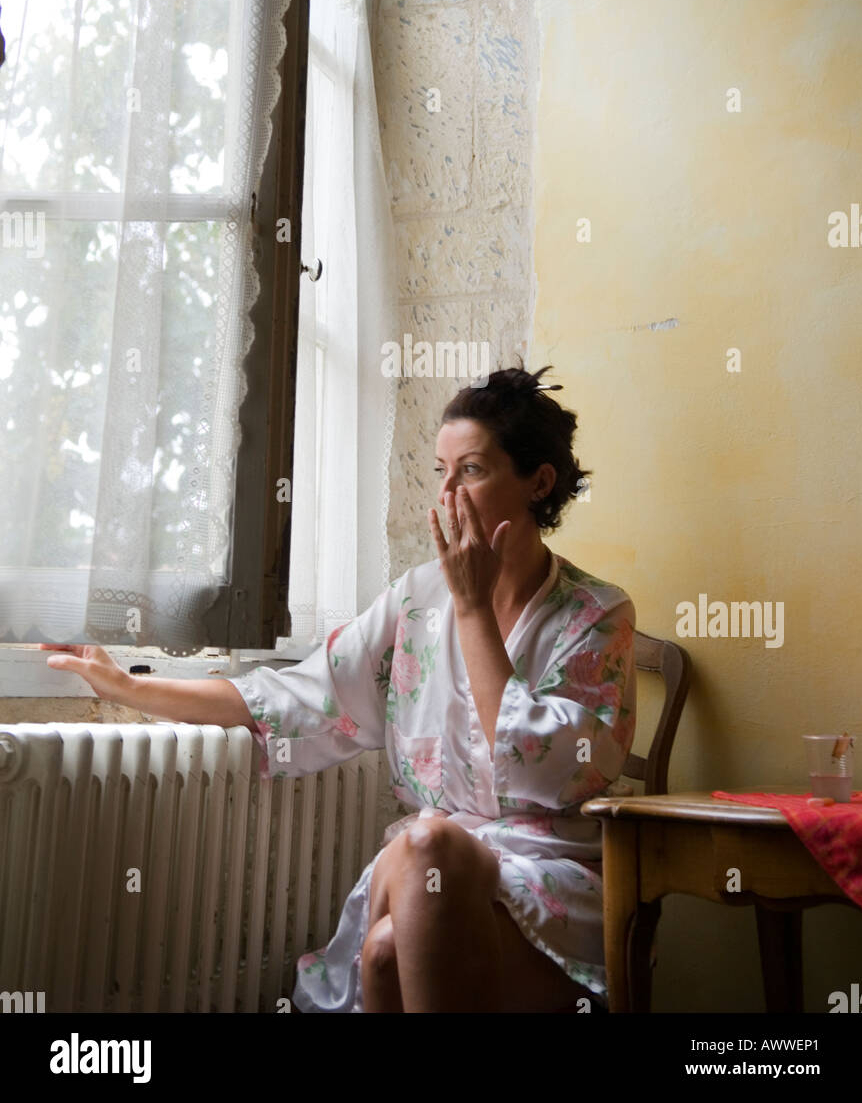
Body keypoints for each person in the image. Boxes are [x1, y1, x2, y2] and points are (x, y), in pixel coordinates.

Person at [42, 364, 637, 1013]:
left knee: (389, 943)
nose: (448, 495)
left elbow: (546, 777)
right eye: (440, 472)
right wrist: (127, 687)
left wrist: (472, 612)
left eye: (472, 470)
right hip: (424, 875)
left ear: (538, 482)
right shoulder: (416, 600)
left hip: (550, 877)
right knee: (426, 846)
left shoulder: (594, 615)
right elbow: (296, 695)